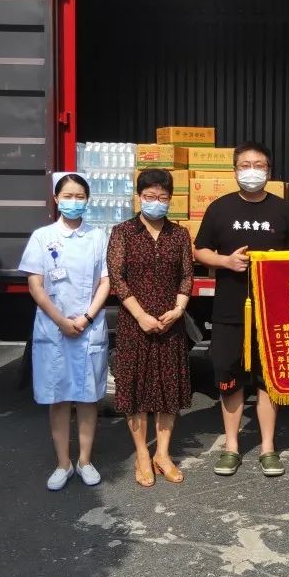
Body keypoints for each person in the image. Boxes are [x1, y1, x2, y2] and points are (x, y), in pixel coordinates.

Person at [194, 141, 289, 477]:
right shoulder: (220, 208)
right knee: (230, 375)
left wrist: (279, 265)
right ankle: (231, 447)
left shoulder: (283, 211)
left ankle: (268, 447)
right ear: (235, 170)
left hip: (273, 312)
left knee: (269, 379)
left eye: (259, 165)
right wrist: (225, 261)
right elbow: (199, 250)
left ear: (269, 170)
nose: (252, 171)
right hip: (230, 311)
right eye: (245, 165)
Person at [19, 172, 110, 491]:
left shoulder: (98, 236)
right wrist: (60, 320)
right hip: (53, 328)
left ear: (88, 200)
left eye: (79, 196)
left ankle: (85, 460)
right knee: (57, 398)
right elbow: (35, 284)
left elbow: (106, 281)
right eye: (68, 196)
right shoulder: (42, 237)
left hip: (88, 327)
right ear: (56, 199)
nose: (74, 202)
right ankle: (63, 463)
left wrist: (86, 317)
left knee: (87, 397)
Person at [107, 169, 193, 487]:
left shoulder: (179, 235)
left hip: (170, 322)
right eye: (149, 196)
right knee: (137, 390)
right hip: (135, 323)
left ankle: (163, 454)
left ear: (170, 199)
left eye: (162, 197)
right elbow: (117, 278)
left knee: (168, 389)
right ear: (139, 197)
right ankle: (143, 454)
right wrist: (141, 315)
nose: (156, 202)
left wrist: (179, 309)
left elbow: (186, 275)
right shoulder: (123, 232)